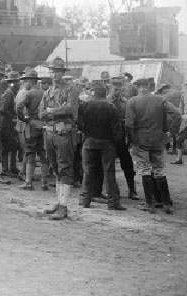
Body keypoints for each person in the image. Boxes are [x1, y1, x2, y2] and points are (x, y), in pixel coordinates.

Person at [125, 77, 181, 214]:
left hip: (141, 140)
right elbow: (177, 114)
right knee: (159, 170)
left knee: (144, 170)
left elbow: (128, 124)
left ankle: (149, 204)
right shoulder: (160, 100)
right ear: (149, 86)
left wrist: (132, 140)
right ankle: (167, 204)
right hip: (158, 140)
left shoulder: (132, 101)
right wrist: (170, 133)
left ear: (138, 87)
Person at [39, 57, 79, 220]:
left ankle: (64, 206)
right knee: (55, 167)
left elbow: (71, 109)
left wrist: (52, 111)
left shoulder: (71, 90)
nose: (55, 75)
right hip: (49, 133)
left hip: (63, 133)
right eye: (53, 72)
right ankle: (58, 202)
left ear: (63, 73)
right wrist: (55, 111)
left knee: (65, 168)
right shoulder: (47, 92)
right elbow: (40, 113)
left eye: (58, 72)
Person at [77, 80, 126, 211]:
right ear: (105, 94)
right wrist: (113, 142)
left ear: (93, 93)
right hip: (107, 143)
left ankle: (85, 200)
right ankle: (113, 203)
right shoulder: (111, 107)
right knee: (109, 173)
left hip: (89, 142)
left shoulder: (84, 106)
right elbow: (117, 130)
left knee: (88, 171)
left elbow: (80, 125)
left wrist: (87, 133)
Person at [16, 68, 47, 190]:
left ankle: (28, 182)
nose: (25, 84)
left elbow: (19, 107)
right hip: (44, 126)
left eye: (26, 81)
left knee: (30, 154)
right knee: (44, 155)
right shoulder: (45, 93)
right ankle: (44, 183)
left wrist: (24, 119)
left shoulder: (29, 94)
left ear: (30, 81)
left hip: (32, 126)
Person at [108, 77, 138, 199]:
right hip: (108, 138)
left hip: (122, 138)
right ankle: (111, 190)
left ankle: (132, 189)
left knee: (127, 164)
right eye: (115, 89)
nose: (117, 92)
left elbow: (130, 121)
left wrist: (130, 139)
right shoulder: (105, 102)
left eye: (119, 89)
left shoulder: (126, 103)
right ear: (111, 88)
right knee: (108, 164)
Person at [0, 71, 21, 178]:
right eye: (16, 82)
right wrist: (13, 117)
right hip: (6, 124)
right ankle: (5, 169)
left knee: (13, 146)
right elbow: (3, 109)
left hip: (11, 123)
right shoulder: (8, 94)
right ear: (12, 83)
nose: (18, 84)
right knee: (6, 147)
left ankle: (12, 167)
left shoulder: (13, 93)